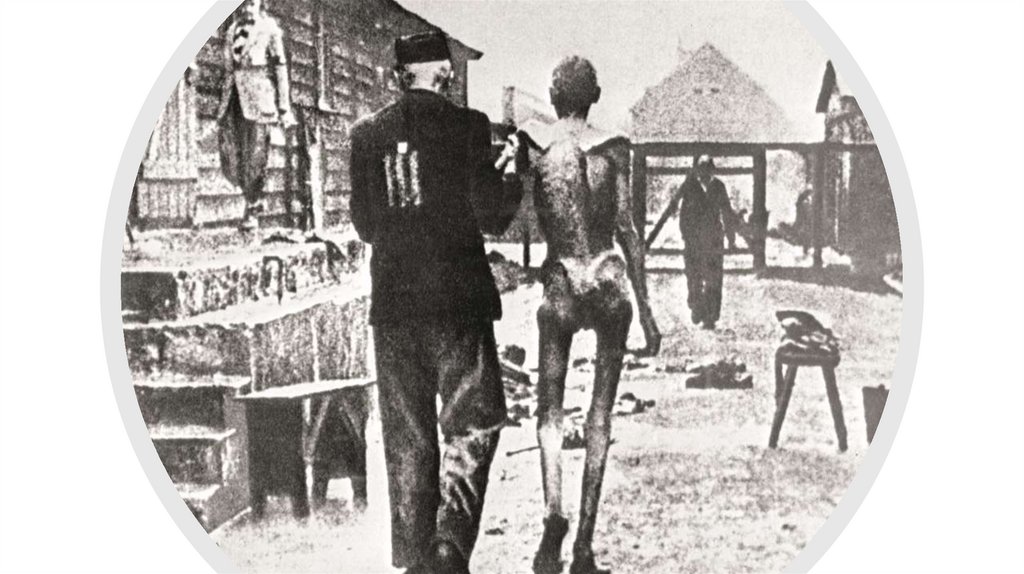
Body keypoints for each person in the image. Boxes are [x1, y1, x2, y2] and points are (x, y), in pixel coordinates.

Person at [348, 31, 524, 574]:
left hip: (395, 304)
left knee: (407, 438)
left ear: (399, 76)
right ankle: (449, 544)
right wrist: (510, 172)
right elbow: (493, 216)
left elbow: (365, 226)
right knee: (475, 423)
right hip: (459, 302)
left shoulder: (367, 135)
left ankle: (416, 557)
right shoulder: (469, 127)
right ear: (444, 75)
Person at [523, 56, 661, 574]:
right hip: (606, 280)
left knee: (549, 411)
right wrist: (647, 312)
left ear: (554, 97)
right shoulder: (613, 148)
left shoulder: (537, 147)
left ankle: (552, 514)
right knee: (600, 413)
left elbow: (526, 217)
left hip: (561, 280)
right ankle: (583, 544)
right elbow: (627, 230)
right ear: (594, 97)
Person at [216, 0, 296, 231]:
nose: (246, 7)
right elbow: (229, 70)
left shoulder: (269, 28)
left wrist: (284, 107)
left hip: (260, 101)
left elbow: (280, 68)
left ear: (261, 3)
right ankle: (251, 200)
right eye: (243, 3)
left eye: (251, 3)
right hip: (234, 101)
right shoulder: (232, 30)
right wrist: (222, 104)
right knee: (232, 156)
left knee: (255, 156)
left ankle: (252, 206)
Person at [671, 155, 735, 330]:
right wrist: (686, 235)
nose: (704, 173)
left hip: (714, 240)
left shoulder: (719, 187)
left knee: (714, 278)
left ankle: (711, 316)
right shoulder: (690, 186)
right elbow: (683, 213)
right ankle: (696, 305)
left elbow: (726, 212)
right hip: (694, 240)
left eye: (707, 169)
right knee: (693, 276)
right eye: (701, 169)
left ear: (712, 170)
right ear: (697, 170)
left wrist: (730, 238)